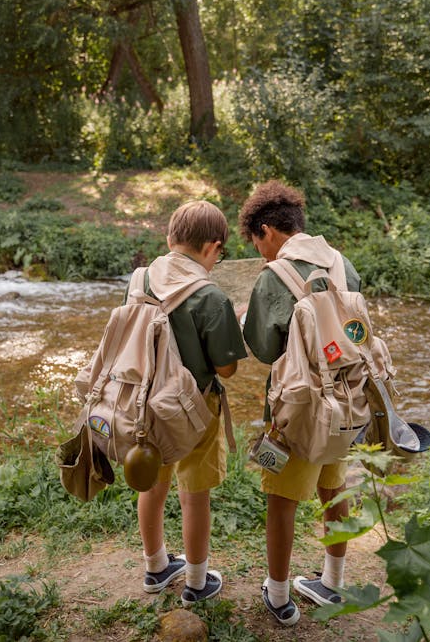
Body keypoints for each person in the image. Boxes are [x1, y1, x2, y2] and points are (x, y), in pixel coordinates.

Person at [238, 180, 361, 626]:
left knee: (282, 498)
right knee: (335, 487)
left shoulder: (276, 275)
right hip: (347, 401)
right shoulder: (342, 263)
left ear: (268, 230)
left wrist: (247, 319)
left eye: (257, 242)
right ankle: (332, 582)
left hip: (300, 407)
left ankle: (278, 595)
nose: (260, 253)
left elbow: (266, 349)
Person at [133, 200, 247, 606]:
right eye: (220, 254)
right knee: (194, 494)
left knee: (154, 482)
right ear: (214, 247)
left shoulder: (142, 279)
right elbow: (227, 369)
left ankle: (156, 567)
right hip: (195, 407)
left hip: (146, 401)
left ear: (169, 238)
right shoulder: (212, 296)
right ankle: (198, 583)